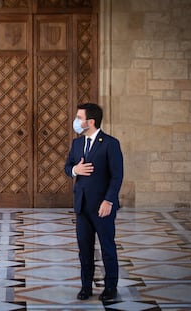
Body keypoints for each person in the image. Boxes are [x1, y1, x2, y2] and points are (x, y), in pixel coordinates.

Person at [64, 103, 123, 301]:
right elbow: (68, 167)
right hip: (82, 206)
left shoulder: (110, 143)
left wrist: (109, 201)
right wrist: (75, 171)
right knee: (85, 249)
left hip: (102, 207)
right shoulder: (77, 144)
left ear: (91, 121)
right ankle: (86, 287)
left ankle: (111, 288)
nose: (76, 121)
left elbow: (117, 176)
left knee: (107, 248)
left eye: (79, 118)